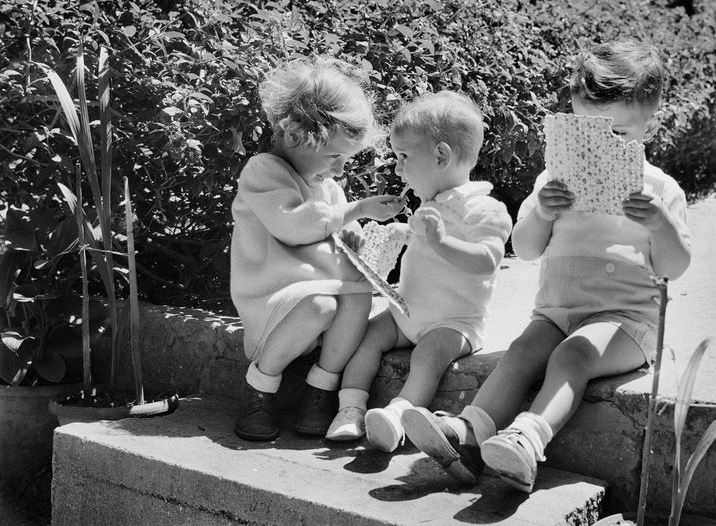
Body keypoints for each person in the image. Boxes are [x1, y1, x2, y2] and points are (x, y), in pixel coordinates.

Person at [401, 40, 692, 492]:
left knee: (572, 355)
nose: (599, 147)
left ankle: (527, 438)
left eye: (616, 135)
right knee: (522, 351)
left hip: (625, 322)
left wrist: (660, 224)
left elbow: (674, 266)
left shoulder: (660, 189)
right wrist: (543, 212)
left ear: (648, 128)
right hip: (557, 311)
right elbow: (527, 247)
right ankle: (469, 433)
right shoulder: (552, 181)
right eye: (585, 131)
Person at [324, 91, 513, 453]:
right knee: (365, 338)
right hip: (406, 312)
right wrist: (400, 234)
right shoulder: (432, 203)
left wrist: (440, 241)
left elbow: (487, 259)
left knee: (427, 356)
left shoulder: (485, 209)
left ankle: (399, 414)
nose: (397, 169)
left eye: (404, 157)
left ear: (441, 156)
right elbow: (422, 242)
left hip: (453, 323)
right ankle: (351, 407)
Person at [231, 57, 405, 442]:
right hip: (274, 296)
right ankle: (260, 385)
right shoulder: (264, 172)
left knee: (359, 297)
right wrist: (355, 210)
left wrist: (357, 235)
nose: (341, 171)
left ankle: (320, 388)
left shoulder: (327, 186)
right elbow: (293, 226)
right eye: (334, 157)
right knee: (320, 304)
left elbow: (336, 224)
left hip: (316, 290)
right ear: (295, 136)